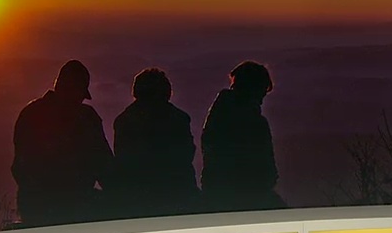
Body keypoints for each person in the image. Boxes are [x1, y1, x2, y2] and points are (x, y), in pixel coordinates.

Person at [11, 59, 114, 226]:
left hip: (35, 207)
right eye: (79, 95)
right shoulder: (86, 119)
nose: (80, 100)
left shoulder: (30, 114)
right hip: (73, 205)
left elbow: (20, 169)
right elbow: (104, 165)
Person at [112, 68, 200, 217]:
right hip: (177, 196)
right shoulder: (179, 119)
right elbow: (186, 154)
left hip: (137, 200)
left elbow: (123, 161)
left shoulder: (124, 121)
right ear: (166, 93)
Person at [200, 60, 285, 212]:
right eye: (261, 92)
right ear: (254, 89)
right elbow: (267, 170)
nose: (262, 99)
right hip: (248, 198)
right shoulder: (255, 123)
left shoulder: (219, 115)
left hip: (217, 194)